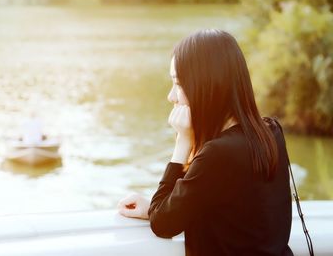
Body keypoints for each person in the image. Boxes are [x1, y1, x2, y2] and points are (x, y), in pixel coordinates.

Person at [117, 29, 293, 256]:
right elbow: (220, 206)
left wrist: (183, 142)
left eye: (178, 84)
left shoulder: (218, 154)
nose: (172, 96)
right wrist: (155, 207)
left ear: (208, 85)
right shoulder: (271, 132)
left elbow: (163, 224)